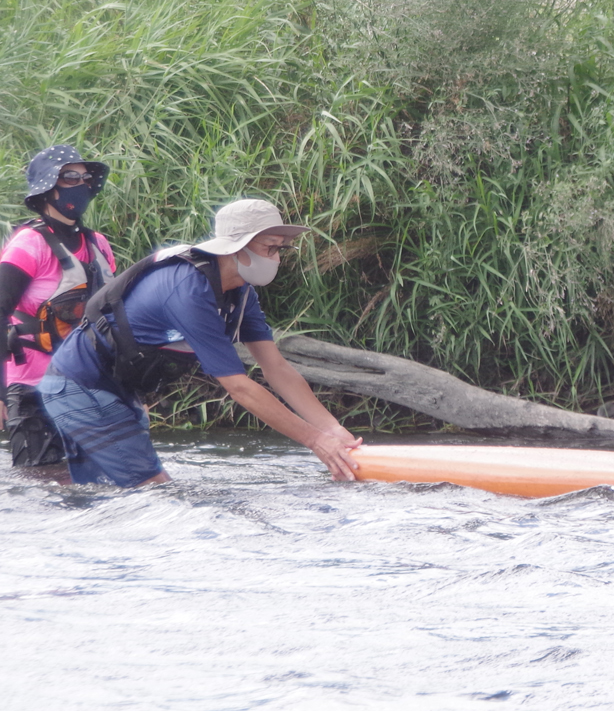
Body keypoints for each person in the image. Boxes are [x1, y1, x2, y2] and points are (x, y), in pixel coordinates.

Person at [38, 198, 362, 488]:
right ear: (237, 247)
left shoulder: (241, 292)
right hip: (79, 385)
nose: (277, 258)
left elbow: (276, 367)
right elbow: (240, 388)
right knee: (155, 491)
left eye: (280, 249)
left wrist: (332, 431)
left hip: (118, 389)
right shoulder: (188, 289)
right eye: (270, 248)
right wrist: (316, 442)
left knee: (93, 490)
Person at [0, 145, 117, 468]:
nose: (81, 184)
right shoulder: (29, 243)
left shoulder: (99, 245)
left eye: (85, 177)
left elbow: (111, 319)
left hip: (91, 387)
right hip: (32, 389)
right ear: (48, 187)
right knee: (45, 484)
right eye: (69, 177)